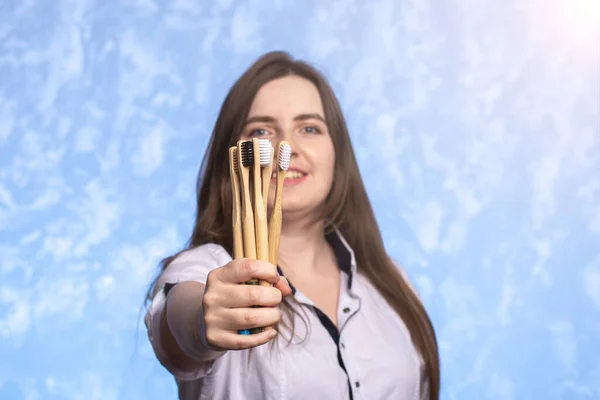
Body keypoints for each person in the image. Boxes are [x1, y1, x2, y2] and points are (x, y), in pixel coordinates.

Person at [144, 51, 440, 400]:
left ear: (338, 154)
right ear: (234, 157)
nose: (287, 146)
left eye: (310, 128)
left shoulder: (393, 282)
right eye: (261, 130)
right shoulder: (207, 268)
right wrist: (201, 320)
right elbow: (177, 319)